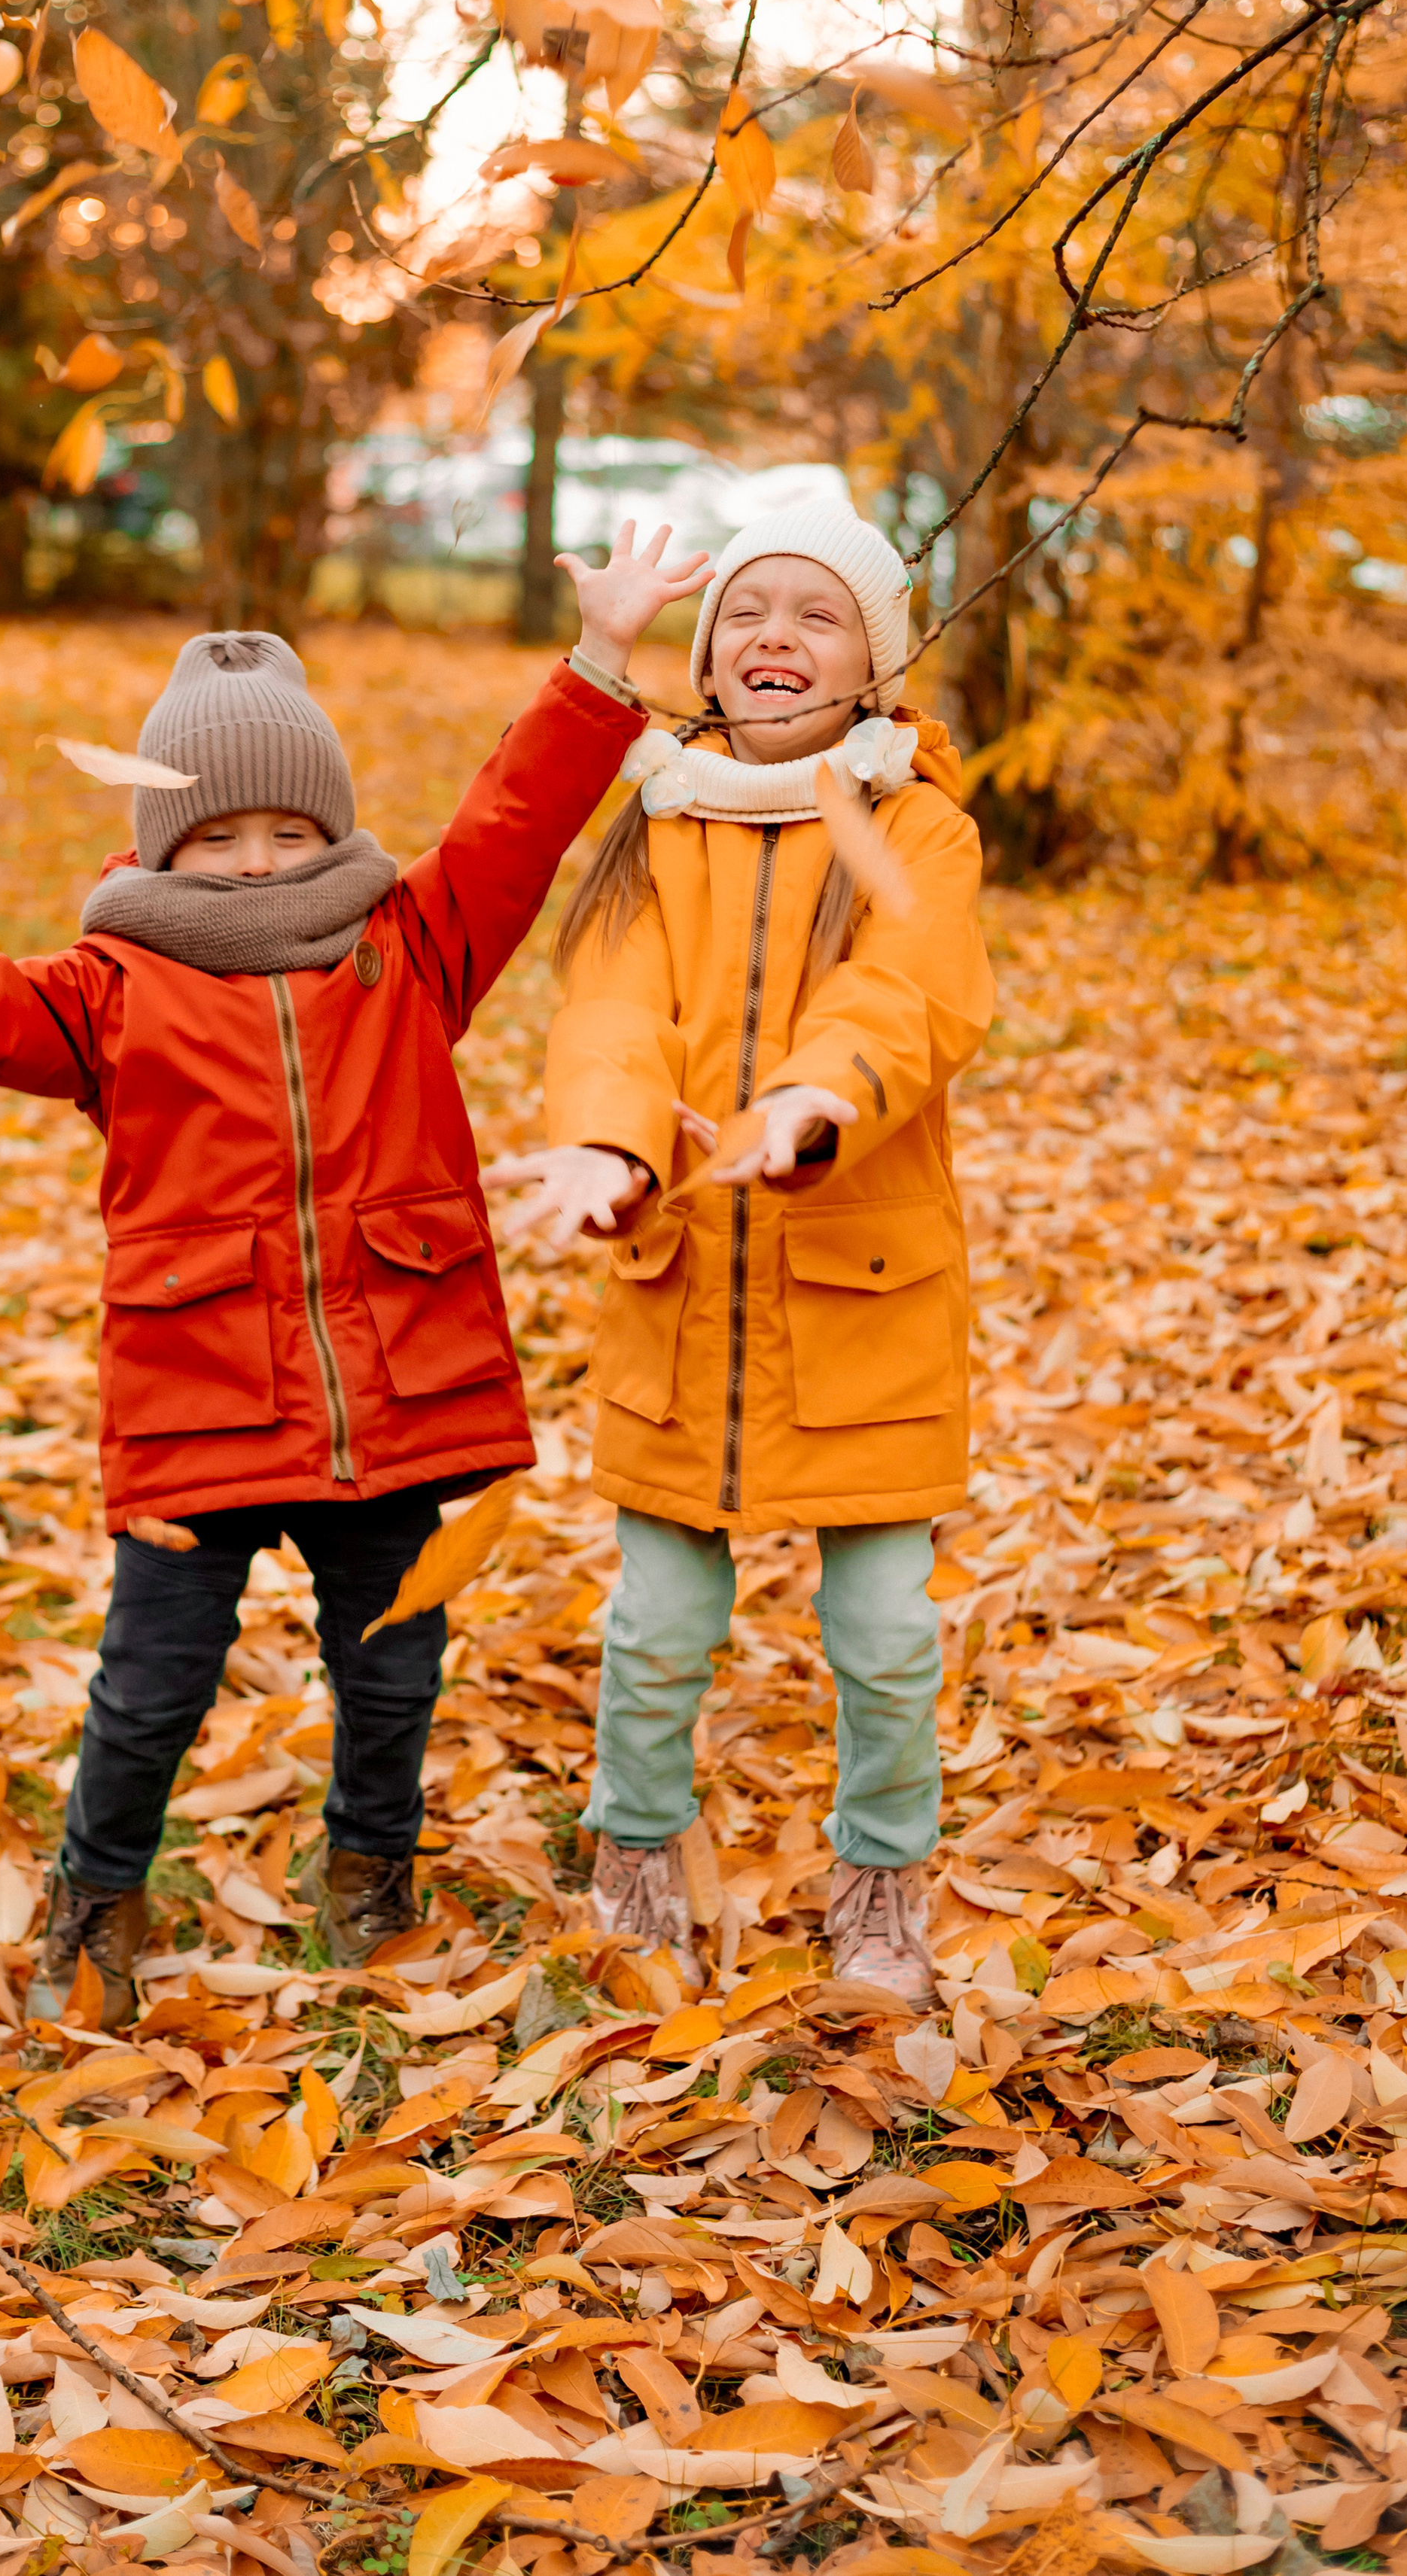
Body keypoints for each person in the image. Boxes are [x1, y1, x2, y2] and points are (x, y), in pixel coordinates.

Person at [0, 567, 710, 2022]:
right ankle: (98, 1895)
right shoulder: (110, 987)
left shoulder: (412, 948)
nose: (258, 862)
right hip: (200, 1404)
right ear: (161, 843)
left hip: (396, 1396)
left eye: (290, 830)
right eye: (220, 836)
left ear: (331, 828)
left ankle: (372, 1869)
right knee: (150, 1687)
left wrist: (597, 656)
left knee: (393, 1670)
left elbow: (515, 827)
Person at [485, 501, 994, 2011]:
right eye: (747, 614)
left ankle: (881, 1886)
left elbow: (913, 993)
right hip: (683, 1294)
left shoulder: (914, 826)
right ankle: (634, 1859)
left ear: (873, 662)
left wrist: (814, 1098)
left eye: (815, 614)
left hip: (862, 1302)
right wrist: (602, 1139)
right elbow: (611, 1011)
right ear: (708, 661)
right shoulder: (655, 822)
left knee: (886, 1633)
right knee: (653, 1627)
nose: (777, 636)